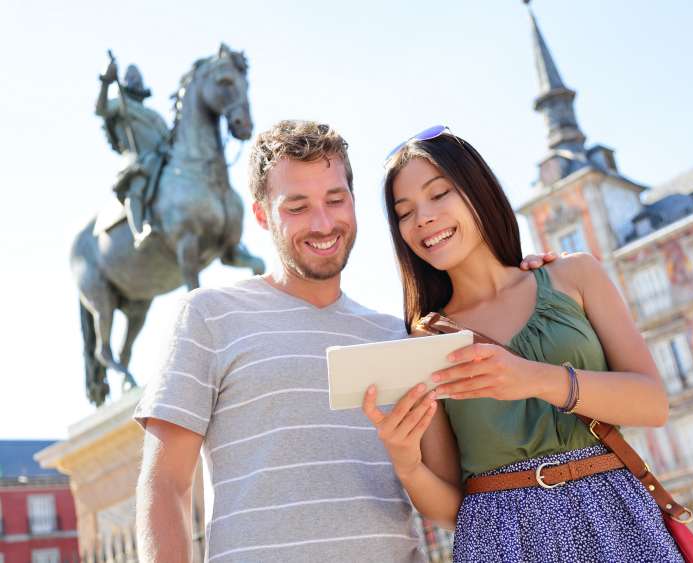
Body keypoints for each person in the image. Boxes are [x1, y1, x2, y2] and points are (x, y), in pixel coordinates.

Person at [133, 120, 553, 562]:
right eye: (296, 207)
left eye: (336, 199)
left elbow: (455, 504)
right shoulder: (209, 315)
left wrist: (525, 277)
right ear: (261, 215)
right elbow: (165, 484)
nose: (323, 223)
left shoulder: (400, 335)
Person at [362, 126, 684, 562]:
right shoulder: (425, 339)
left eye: (439, 194)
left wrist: (534, 378)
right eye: (404, 212)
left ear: (478, 191)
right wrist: (406, 463)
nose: (423, 219)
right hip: (502, 541)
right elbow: (450, 507)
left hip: (617, 517)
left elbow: (653, 404)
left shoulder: (575, 276)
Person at [96, 59, 170, 247]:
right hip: (137, 159)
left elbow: (168, 138)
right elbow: (101, 109)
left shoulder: (154, 115)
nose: (136, 81)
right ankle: (139, 231)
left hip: (161, 158)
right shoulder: (120, 104)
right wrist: (106, 81)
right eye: (132, 77)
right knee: (138, 183)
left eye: (138, 77)